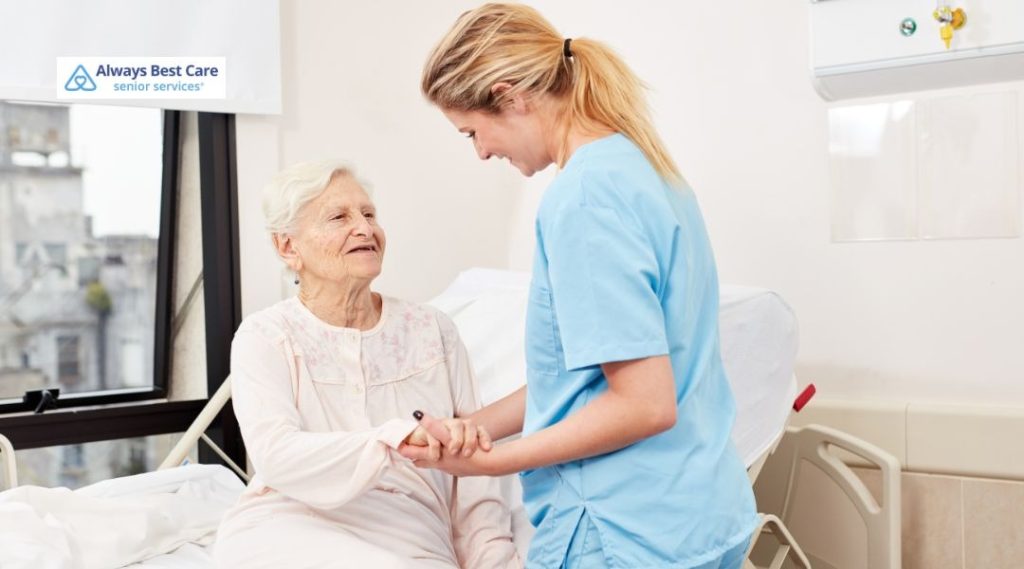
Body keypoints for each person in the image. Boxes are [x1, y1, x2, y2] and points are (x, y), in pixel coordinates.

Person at [404, 4, 759, 568]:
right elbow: (581, 380)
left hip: (624, 532)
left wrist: (492, 464)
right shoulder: (649, 172)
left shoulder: (585, 198)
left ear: (511, 94)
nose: (481, 152)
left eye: (473, 131)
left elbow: (643, 406)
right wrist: (470, 429)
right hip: (700, 515)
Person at [214, 160, 521, 569]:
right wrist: (392, 439)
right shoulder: (265, 336)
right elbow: (276, 455)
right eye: (339, 217)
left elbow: (475, 467)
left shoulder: (434, 331)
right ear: (288, 247)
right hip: (286, 526)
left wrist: (494, 560)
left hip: (407, 536)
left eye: (369, 214)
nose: (364, 228)